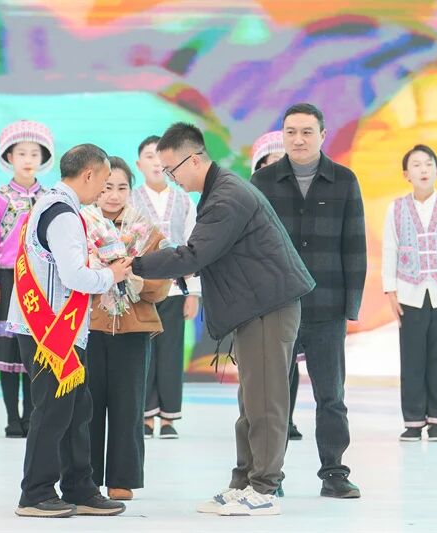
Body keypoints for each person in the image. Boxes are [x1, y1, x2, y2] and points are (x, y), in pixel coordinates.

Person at [132, 123, 314, 516]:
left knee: (266, 401)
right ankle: (244, 481)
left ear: (194, 159)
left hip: (268, 306)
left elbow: (194, 255)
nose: (171, 177)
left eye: (172, 169)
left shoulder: (226, 197)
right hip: (254, 306)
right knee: (251, 400)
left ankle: (265, 489)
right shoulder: (219, 191)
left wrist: (135, 265)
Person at [6, 144, 130, 518]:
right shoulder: (63, 214)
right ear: (88, 175)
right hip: (49, 330)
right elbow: (74, 276)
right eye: (103, 181)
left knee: (77, 409)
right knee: (53, 410)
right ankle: (35, 493)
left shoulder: (51, 204)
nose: (104, 191)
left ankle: (80, 487)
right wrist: (111, 275)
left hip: (59, 327)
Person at [251, 103, 367, 499]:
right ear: (282, 136)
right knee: (273, 397)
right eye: (291, 132)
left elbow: (355, 246)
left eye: (306, 132)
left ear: (322, 134)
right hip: (276, 306)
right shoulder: (263, 182)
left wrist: (350, 306)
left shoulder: (344, 180)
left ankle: (334, 473)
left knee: (331, 396)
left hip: (327, 306)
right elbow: (251, 246)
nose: (298, 139)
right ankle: (270, 476)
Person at [86, 156, 171, 501]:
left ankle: (123, 478)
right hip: (89, 327)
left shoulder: (147, 232)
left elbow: (162, 285)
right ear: (95, 187)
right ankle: (85, 476)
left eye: (122, 188)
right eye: (107, 187)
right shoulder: (80, 226)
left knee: (129, 405)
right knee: (87, 405)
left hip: (133, 329)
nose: (113, 195)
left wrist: (138, 282)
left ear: (130, 191)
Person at [383, 144, 437, 442]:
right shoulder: (396, 208)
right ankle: (412, 421)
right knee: (411, 359)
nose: (423, 169)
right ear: (406, 174)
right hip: (409, 293)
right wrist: (390, 290)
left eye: (428, 164)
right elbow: (390, 249)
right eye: (416, 165)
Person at [0, 120, 53, 438]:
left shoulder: (49, 197)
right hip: (9, 279)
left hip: (40, 280)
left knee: (35, 350)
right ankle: (12, 418)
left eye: (34, 153)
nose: (27, 159)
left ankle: (33, 416)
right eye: (21, 153)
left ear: (42, 158)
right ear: (9, 157)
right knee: (8, 350)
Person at [130, 135, 201, 439]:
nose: (156, 163)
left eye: (160, 157)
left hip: (174, 289)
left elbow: (195, 246)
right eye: (149, 156)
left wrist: (193, 292)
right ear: (139, 164)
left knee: (171, 353)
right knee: (143, 353)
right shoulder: (130, 200)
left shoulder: (184, 200)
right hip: (140, 289)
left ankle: (169, 417)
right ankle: (145, 416)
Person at [251, 129, 303, 442]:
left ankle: (287, 418)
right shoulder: (248, 201)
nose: (277, 166)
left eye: (282, 160)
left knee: (290, 358)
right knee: (265, 364)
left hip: (295, 289)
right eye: (270, 160)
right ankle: (261, 423)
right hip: (262, 293)